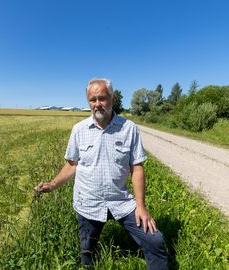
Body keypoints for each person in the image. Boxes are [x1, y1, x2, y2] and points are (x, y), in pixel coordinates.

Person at [34, 78, 168, 269]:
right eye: (92, 99)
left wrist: (141, 206)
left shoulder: (129, 129)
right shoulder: (79, 130)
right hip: (88, 202)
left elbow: (137, 168)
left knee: (155, 241)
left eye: (102, 98)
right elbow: (72, 165)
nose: (97, 104)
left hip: (121, 201)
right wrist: (52, 184)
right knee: (87, 255)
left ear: (112, 99)